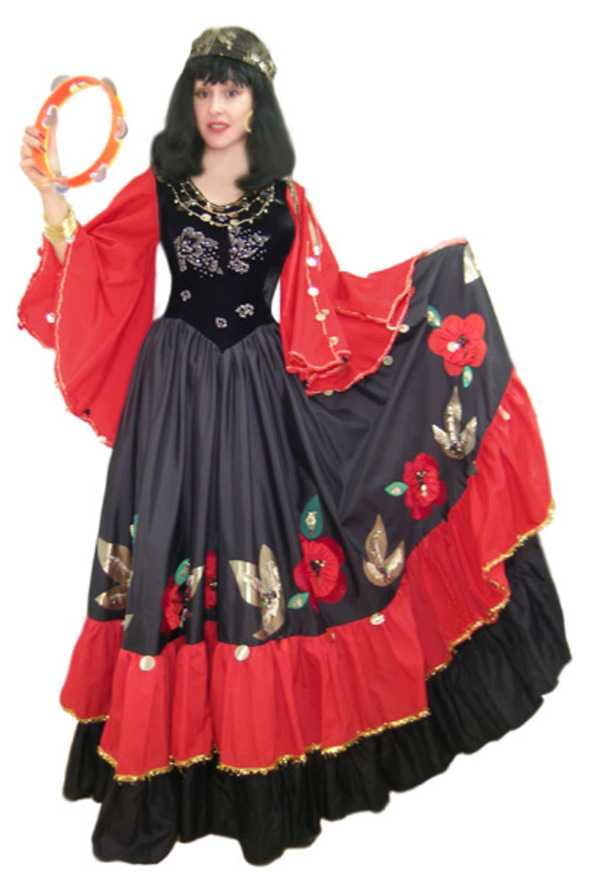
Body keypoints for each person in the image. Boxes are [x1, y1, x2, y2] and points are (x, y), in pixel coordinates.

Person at [17, 25, 571, 868]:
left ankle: (256, 767)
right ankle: (166, 767)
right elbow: (97, 263)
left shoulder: (289, 199)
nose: (216, 105)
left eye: (232, 90)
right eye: (204, 89)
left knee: (258, 551)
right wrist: (51, 199)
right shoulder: (160, 185)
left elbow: (335, 307)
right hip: (174, 391)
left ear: (258, 103)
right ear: (189, 99)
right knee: (170, 553)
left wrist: (433, 281)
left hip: (258, 391)